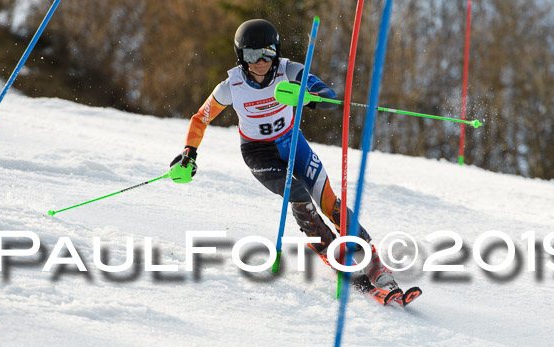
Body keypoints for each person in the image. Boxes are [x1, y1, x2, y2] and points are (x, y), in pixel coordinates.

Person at [171, 18, 399, 296]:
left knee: (329, 202)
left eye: (267, 52)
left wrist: (307, 97)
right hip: (258, 152)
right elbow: (200, 119)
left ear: (276, 51)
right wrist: (189, 153)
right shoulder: (230, 87)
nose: (260, 61)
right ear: (240, 57)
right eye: (251, 55)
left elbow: (328, 94)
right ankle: (331, 253)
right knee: (299, 194)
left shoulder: (289, 70)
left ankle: (373, 262)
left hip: (293, 142)